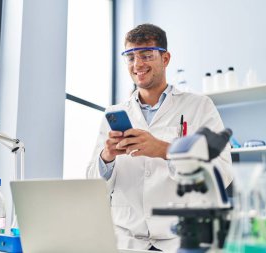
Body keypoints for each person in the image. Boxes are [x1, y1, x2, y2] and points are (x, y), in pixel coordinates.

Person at [87, 23, 232, 252]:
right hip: (126, 240)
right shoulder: (114, 113)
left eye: (146, 55)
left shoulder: (199, 106)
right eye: (131, 57)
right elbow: (91, 183)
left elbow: (222, 173)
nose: (138, 64)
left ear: (165, 59)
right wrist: (107, 158)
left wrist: (166, 150)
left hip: (180, 239)